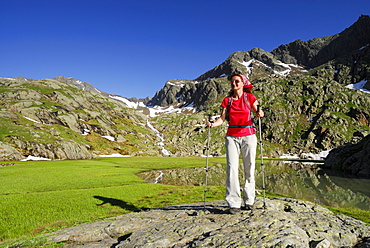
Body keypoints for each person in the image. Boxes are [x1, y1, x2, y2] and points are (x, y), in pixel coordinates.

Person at [206, 73, 264, 214]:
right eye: (232, 82)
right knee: (232, 168)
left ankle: (249, 201)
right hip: (232, 137)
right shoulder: (227, 101)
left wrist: (259, 113)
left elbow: (258, 111)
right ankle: (234, 203)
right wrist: (212, 125)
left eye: (237, 81)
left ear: (243, 83)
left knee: (249, 168)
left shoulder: (250, 98)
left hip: (249, 136)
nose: (234, 84)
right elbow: (222, 118)